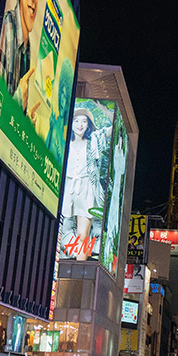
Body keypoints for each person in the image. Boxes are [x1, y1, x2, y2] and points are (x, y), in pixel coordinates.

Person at [62, 108, 111, 261]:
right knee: (62, 226)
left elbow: (115, 127)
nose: (80, 125)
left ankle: (79, 266)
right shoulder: (63, 140)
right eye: (76, 121)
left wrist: (104, 108)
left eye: (84, 121)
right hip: (66, 187)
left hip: (86, 188)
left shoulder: (94, 141)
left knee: (83, 234)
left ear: (89, 124)